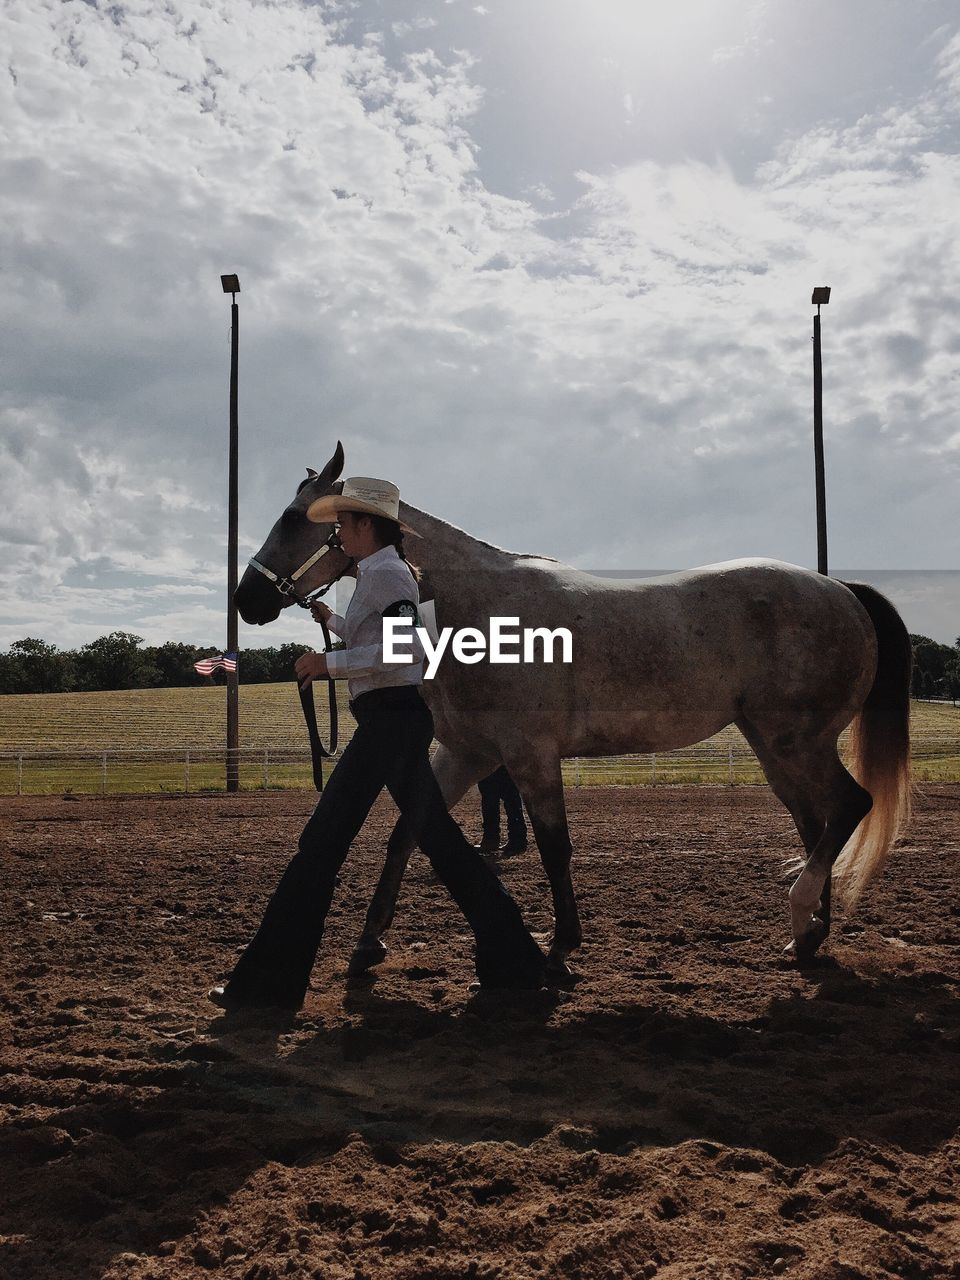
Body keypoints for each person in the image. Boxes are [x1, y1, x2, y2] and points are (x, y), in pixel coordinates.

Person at [209, 477, 546, 1011]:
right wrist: (335, 623)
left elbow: (400, 655)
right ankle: (517, 961)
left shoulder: (387, 575)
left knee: (320, 848)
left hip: (390, 723)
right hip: (393, 722)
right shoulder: (381, 574)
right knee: (444, 847)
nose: (338, 534)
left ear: (367, 524)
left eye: (343, 523)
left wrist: (328, 662)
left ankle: (266, 987)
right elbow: (382, 642)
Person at [477, 766, 528, 854]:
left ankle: (491, 838)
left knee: (490, 797)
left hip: (491, 763)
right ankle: (517, 839)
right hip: (505, 765)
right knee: (511, 798)